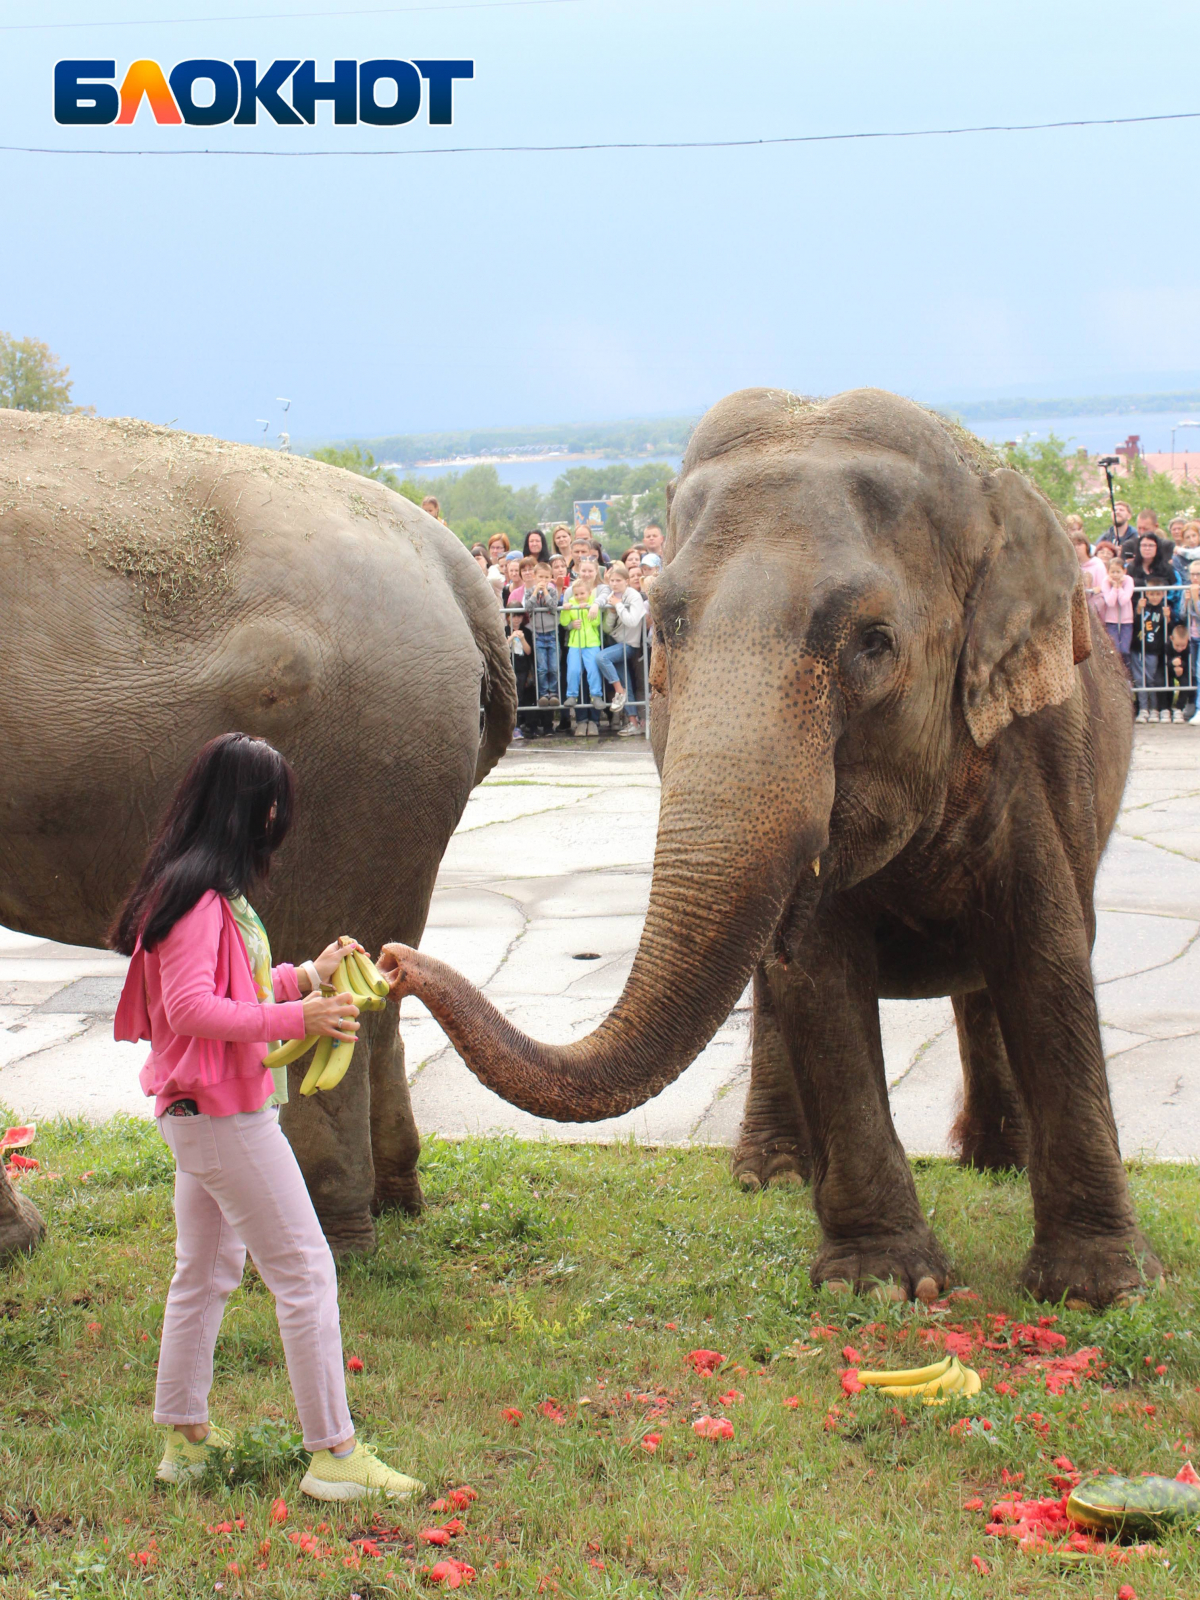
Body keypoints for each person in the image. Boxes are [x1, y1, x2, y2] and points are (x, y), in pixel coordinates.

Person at [110, 733, 423, 1502]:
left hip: (204, 1115)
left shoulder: (210, 896)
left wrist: (306, 977)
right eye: (273, 801)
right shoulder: (197, 901)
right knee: (306, 1271)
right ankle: (335, 1454)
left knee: (208, 1272)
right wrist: (299, 1021)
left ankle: (185, 1439)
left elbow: (239, 985)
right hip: (222, 1118)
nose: (281, 816)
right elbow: (191, 1009)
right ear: (249, 809)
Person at [597, 562, 647, 735]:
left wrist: (618, 605)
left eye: (618, 580)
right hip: (617, 643)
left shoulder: (633, 596)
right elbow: (607, 629)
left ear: (626, 581)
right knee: (626, 683)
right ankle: (634, 722)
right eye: (612, 580)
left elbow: (632, 621)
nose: (614, 584)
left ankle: (619, 691)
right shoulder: (611, 596)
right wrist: (611, 612)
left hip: (631, 645)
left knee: (601, 657)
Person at [559, 559, 606, 737]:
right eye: (583, 570)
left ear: (596, 572)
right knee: (573, 671)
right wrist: (569, 616)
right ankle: (572, 697)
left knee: (593, 672)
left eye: (590, 571)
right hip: (575, 643)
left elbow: (597, 623)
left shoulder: (598, 594)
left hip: (592, 643)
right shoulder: (571, 597)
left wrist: (589, 609)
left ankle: (596, 697)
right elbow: (564, 623)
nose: (579, 597)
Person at [524, 561, 562, 725]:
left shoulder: (552, 591)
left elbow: (553, 606)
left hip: (551, 633)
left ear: (550, 578)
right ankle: (543, 694)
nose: (543, 580)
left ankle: (553, 693)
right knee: (542, 667)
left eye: (546, 577)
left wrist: (546, 591)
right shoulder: (529, 592)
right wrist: (535, 593)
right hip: (538, 634)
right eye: (540, 577)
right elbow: (528, 607)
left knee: (553, 666)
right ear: (534, 576)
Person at [1131, 584, 1170, 721]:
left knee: (1151, 679)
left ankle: (1154, 708)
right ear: (1146, 594)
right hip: (1138, 648)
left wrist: (1168, 618)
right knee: (1140, 680)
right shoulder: (1142, 606)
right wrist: (1138, 611)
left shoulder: (1163, 609)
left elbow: (1168, 630)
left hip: (1153, 650)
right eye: (1151, 594)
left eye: (1157, 594)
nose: (1154, 597)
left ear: (1163, 595)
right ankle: (1143, 709)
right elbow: (1134, 625)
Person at [1126, 532, 1182, 624]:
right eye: (1144, 545)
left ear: (1157, 547)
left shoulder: (1167, 568)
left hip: (1162, 617)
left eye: (1151, 545)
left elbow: (1176, 593)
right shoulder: (1130, 568)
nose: (1147, 548)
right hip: (1137, 616)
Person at [1098, 557, 1134, 673]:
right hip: (1111, 620)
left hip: (1126, 620)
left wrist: (1119, 588)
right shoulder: (1106, 581)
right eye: (1112, 572)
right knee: (1115, 649)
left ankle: (1127, 674)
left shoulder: (1128, 580)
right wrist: (1114, 587)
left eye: (1118, 572)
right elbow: (1110, 602)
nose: (1115, 575)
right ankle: (1116, 674)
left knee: (1124, 649)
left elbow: (1124, 600)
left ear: (1124, 571)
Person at [1070, 528, 1107, 615]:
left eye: (1079, 544)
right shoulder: (1070, 566)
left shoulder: (1097, 564)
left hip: (1095, 610)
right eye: (1074, 544)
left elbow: (1103, 587)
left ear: (1086, 545)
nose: (1076, 547)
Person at [1165, 620, 1196, 724]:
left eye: (1183, 646)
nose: (1180, 648)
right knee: (1164, 681)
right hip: (1169, 670)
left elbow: (1189, 663)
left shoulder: (1189, 649)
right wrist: (1172, 664)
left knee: (1186, 683)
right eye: (1177, 645)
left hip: (1183, 671)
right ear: (1171, 639)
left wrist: (1181, 664)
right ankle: (1166, 708)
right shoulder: (1167, 646)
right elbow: (1163, 663)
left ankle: (1179, 708)